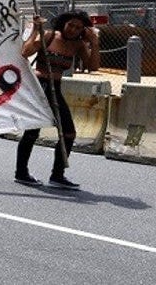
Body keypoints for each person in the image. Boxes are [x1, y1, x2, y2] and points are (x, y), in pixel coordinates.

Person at [15, 10, 100, 189]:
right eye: (71, 25)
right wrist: (36, 31)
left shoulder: (78, 45)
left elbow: (92, 66)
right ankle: (21, 173)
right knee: (32, 131)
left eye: (78, 27)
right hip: (40, 87)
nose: (73, 30)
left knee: (69, 133)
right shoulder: (49, 36)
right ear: (64, 23)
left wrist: (94, 42)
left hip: (57, 87)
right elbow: (26, 51)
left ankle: (57, 175)